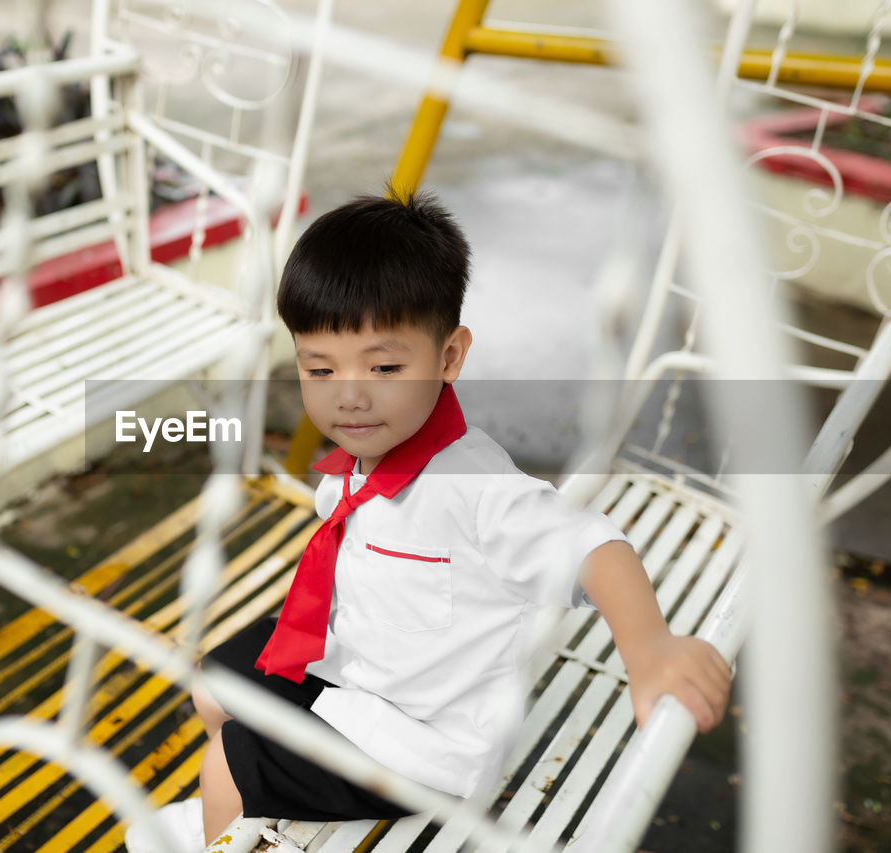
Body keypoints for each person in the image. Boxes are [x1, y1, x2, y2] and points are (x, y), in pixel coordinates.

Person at [125, 190, 733, 852]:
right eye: (319, 368)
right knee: (213, 687)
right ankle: (240, 812)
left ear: (448, 357)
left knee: (232, 757)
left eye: (385, 366)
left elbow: (590, 544)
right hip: (354, 665)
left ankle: (237, 823)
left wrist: (648, 646)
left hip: (421, 743)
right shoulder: (359, 458)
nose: (349, 394)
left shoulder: (471, 485)